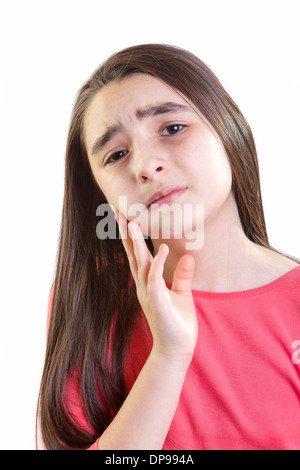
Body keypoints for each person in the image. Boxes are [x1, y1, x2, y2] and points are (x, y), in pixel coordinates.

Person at [37, 44, 300, 450]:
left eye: (172, 128)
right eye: (117, 154)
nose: (145, 165)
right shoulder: (91, 298)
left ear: (229, 129)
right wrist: (169, 356)